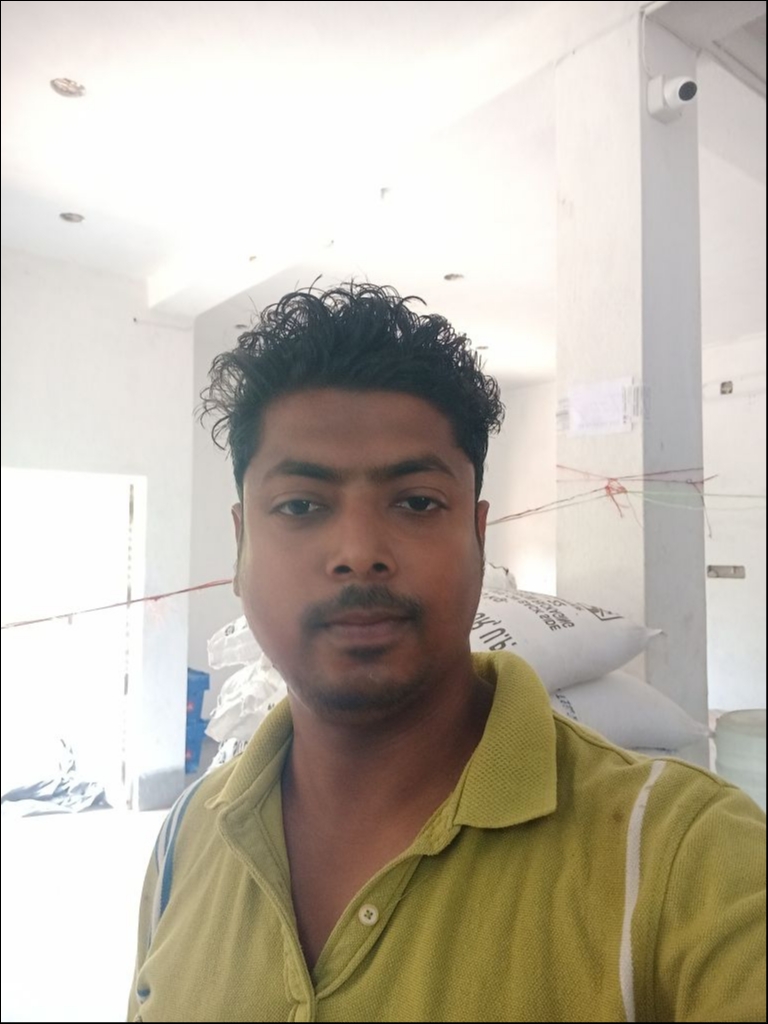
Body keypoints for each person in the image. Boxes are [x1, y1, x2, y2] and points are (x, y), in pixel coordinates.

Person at [128, 283, 765, 1023]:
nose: (359, 552)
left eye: (417, 502)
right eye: (300, 505)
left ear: (479, 538)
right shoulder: (184, 843)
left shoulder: (684, 855)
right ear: (240, 546)